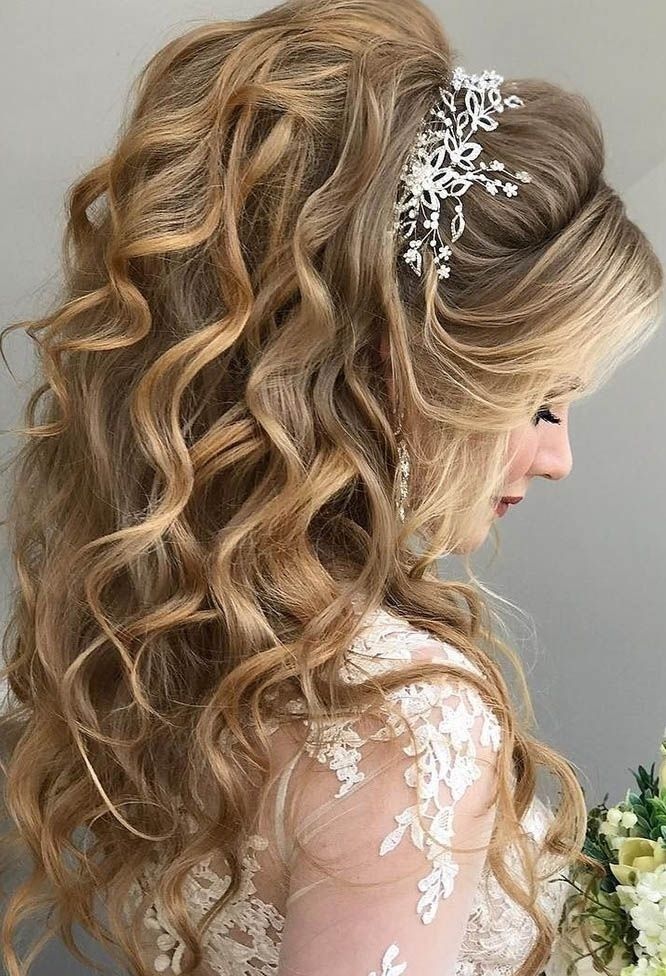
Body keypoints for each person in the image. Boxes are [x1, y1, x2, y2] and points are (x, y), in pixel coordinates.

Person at [0, 0, 662, 974]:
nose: (557, 458)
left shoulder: (194, 640)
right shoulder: (410, 723)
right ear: (403, 373)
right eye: (544, 404)